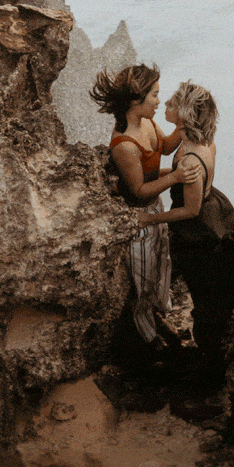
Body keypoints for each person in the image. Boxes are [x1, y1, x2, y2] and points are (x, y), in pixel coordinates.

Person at [136, 81, 234, 377]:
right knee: (213, 301)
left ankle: (211, 369)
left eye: (172, 104)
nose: (166, 107)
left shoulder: (190, 157)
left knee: (208, 301)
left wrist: (147, 220)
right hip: (216, 212)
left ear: (185, 114)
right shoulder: (202, 141)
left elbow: (191, 209)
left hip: (202, 232)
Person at [90, 64, 201, 345]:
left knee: (160, 265)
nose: (158, 101)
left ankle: (157, 317)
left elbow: (164, 146)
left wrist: (183, 123)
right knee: (143, 275)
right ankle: (149, 338)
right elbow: (138, 191)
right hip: (137, 216)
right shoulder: (125, 145)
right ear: (135, 101)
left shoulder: (147, 123)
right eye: (154, 95)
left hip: (155, 206)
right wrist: (175, 176)